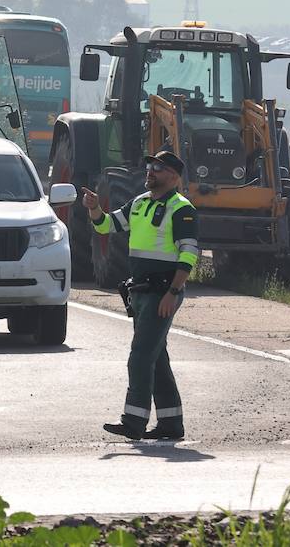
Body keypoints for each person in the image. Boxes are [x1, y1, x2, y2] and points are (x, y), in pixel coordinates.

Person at [84, 150, 199, 441]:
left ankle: (133, 421)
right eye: (149, 166)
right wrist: (95, 209)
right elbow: (107, 225)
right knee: (156, 357)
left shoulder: (181, 208)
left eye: (158, 168)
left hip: (163, 292)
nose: (150, 171)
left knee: (140, 358)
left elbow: (189, 252)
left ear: (173, 176)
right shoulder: (139, 203)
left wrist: (173, 292)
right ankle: (171, 424)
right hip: (141, 292)